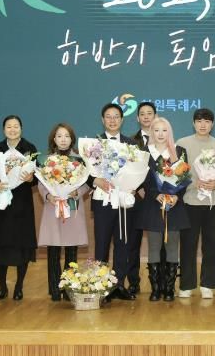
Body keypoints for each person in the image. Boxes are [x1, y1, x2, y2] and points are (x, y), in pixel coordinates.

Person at [176, 108, 215, 299]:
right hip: (190, 201)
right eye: (199, 121)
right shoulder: (182, 143)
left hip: (213, 203)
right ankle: (186, 285)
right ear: (193, 123)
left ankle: (208, 284)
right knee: (188, 244)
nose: (203, 125)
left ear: (212, 124)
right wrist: (195, 183)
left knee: (212, 244)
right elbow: (176, 172)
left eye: (207, 121)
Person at [88, 103, 138, 300]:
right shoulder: (93, 144)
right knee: (101, 244)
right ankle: (101, 287)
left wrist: (134, 185)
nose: (112, 120)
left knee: (122, 244)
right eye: (108, 116)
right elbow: (85, 172)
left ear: (122, 120)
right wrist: (95, 180)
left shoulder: (131, 144)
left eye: (116, 116)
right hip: (103, 201)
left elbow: (139, 170)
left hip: (124, 201)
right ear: (102, 120)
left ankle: (118, 285)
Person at [0, 115, 38, 301]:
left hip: (22, 204)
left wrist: (31, 178)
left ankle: (19, 286)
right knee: (2, 245)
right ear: (3, 130)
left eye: (16, 126)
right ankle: (2, 287)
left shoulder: (29, 148)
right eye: (9, 126)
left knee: (22, 245)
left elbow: (37, 175)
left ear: (21, 129)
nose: (13, 129)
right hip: (2, 204)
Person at [138, 117, 189, 302]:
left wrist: (176, 196)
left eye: (164, 130)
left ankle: (169, 289)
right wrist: (155, 194)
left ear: (169, 132)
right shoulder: (144, 152)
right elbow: (142, 180)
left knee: (172, 246)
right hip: (153, 206)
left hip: (174, 207)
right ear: (151, 132)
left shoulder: (179, 151)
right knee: (153, 247)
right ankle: (155, 289)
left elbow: (184, 178)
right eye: (156, 130)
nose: (160, 134)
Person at [38, 123, 90, 301]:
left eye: (67, 136)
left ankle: (69, 288)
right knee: (53, 250)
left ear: (72, 139)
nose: (63, 139)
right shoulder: (46, 160)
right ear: (54, 139)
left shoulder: (80, 160)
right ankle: (54, 289)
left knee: (71, 249)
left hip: (72, 207)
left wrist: (77, 192)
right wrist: (48, 196)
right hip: (53, 207)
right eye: (59, 136)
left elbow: (86, 183)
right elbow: (41, 183)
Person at [128, 101, 158, 296]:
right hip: (137, 198)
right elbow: (127, 168)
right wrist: (138, 188)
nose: (146, 117)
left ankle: (160, 283)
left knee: (160, 242)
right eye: (142, 114)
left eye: (150, 113)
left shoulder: (164, 138)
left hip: (159, 199)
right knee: (133, 242)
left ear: (155, 116)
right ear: (137, 118)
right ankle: (133, 282)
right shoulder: (130, 142)